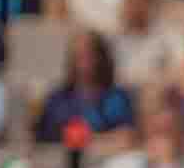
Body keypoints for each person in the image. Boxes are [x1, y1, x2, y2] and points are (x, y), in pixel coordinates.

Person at [33, 29, 137, 157]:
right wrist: (98, 139)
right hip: (62, 165)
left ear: (101, 57)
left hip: (107, 165)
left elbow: (126, 138)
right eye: (77, 55)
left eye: (89, 54)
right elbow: (48, 139)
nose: (84, 62)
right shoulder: (57, 99)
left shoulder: (117, 97)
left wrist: (83, 139)